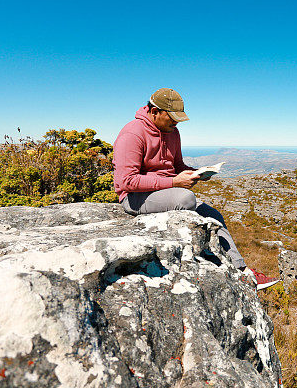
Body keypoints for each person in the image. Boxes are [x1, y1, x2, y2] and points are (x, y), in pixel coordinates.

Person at [112, 87, 278, 290]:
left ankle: (242, 271)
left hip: (164, 192)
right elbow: (126, 182)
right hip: (135, 197)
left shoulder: (173, 132)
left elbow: (177, 166)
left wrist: (198, 172)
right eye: (171, 117)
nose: (176, 122)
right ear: (154, 111)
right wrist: (174, 183)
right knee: (186, 199)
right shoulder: (132, 133)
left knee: (212, 214)